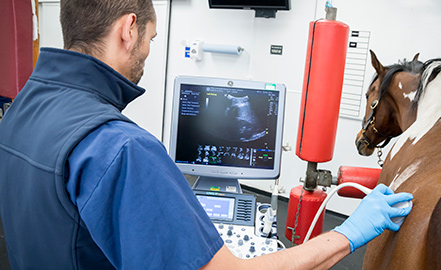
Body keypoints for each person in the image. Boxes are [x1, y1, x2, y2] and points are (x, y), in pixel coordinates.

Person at [0, 0, 413, 269]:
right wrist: (350, 232)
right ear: (129, 29)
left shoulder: (21, 111)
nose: (147, 51)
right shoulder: (122, 149)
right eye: (151, 38)